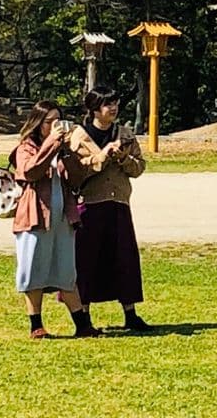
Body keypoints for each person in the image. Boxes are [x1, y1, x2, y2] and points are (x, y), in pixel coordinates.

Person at [10, 100, 99, 339]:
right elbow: (30, 171)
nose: (55, 126)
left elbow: (77, 178)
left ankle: (82, 324)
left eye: (58, 121)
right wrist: (51, 144)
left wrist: (68, 150)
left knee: (66, 272)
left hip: (63, 218)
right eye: (50, 122)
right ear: (39, 124)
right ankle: (36, 325)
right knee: (33, 271)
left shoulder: (62, 148)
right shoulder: (25, 148)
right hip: (35, 217)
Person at [65, 87, 149, 331]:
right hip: (89, 206)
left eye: (115, 103)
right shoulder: (79, 137)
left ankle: (130, 314)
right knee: (87, 261)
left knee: (125, 258)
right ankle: (84, 315)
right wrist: (100, 157)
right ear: (93, 109)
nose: (112, 108)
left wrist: (123, 157)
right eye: (106, 104)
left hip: (119, 204)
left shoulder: (125, 134)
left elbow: (139, 169)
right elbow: (73, 174)